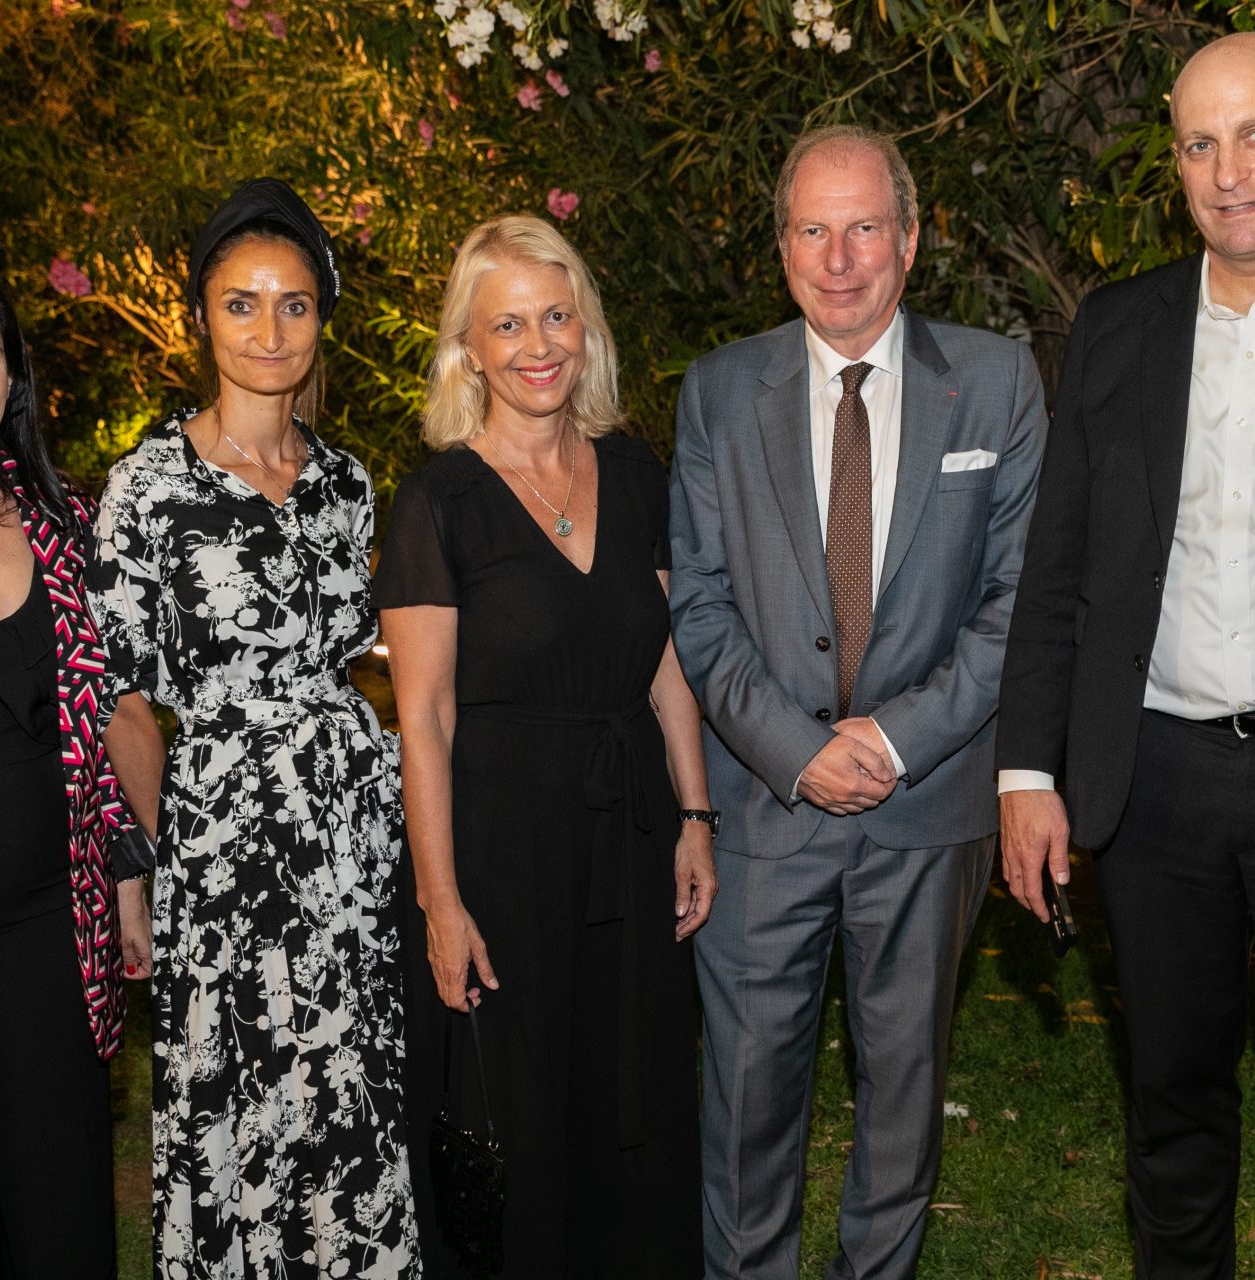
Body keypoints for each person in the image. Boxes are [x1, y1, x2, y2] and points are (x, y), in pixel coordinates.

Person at [668, 124, 1048, 1279]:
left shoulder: (992, 380)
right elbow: (699, 601)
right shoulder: (719, 391)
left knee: (901, 1103)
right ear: (780, 243)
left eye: (864, 226)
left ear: (911, 238)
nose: (839, 258)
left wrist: (890, 737)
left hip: (927, 809)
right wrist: (795, 749)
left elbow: (1015, 602)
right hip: (764, 811)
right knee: (743, 1106)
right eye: (811, 228)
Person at [91, 179, 421, 1278]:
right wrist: (157, 856)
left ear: (321, 316)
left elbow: (361, 660)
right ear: (201, 316)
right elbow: (125, 698)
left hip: (346, 834)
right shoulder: (145, 484)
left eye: (292, 304)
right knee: (234, 1090)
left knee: (348, 1082)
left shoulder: (344, 483)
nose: (268, 329)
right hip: (218, 839)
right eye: (241, 303)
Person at [376, 214, 715, 1278]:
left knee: (636, 1100)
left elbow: (663, 666)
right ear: (467, 348)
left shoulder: (637, 472)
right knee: (516, 1114)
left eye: (555, 315)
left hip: (630, 833)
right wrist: (439, 901)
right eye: (507, 322)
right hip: (500, 851)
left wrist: (697, 816)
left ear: (586, 329)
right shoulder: (437, 504)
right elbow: (421, 718)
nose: (537, 343)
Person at [997, 32, 1255, 1278]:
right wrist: (1024, 776)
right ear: (1173, 164)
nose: (1228, 168)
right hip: (1154, 777)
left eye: (1252, 132)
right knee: (1173, 1099)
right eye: (1200, 142)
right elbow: (1054, 571)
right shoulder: (1118, 327)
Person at [0, 268, 148, 1278]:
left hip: (51, 906)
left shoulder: (61, 522)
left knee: (60, 1192)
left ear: (12, 376)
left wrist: (127, 874)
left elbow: (108, 713)